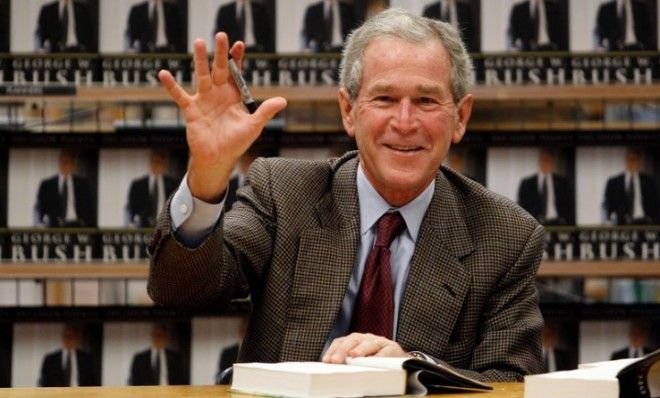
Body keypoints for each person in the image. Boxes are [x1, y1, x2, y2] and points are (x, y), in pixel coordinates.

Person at [150, 8, 544, 382]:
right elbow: (182, 291)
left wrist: (413, 368)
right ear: (348, 110)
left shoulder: (506, 235)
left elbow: (512, 383)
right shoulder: (285, 193)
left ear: (460, 117)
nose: (404, 123)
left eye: (426, 100)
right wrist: (208, 172)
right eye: (384, 99)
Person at [34, 150, 95, 227]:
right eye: (62, 161)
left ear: (73, 165)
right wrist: (39, 223)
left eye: (67, 161)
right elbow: (38, 208)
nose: (64, 164)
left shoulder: (83, 184)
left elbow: (90, 209)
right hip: (54, 225)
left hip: (77, 225)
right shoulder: (46, 184)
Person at [602, 148, 659, 225]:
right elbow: (606, 205)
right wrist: (608, 220)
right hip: (621, 222)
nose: (630, 162)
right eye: (628, 159)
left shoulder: (649, 181)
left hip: (644, 222)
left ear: (639, 162)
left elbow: (656, 204)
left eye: (634, 159)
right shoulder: (613, 182)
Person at [517, 149, 573, 225]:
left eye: (548, 161)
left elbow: (568, 205)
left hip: (558, 224)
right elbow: (521, 207)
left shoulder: (562, 182)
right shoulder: (527, 183)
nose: (545, 163)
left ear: (553, 163)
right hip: (534, 224)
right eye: (543, 160)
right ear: (539, 162)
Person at [125, 151, 178, 227]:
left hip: (166, 227)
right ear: (149, 163)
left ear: (164, 165)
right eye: (153, 161)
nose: (156, 165)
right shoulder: (137, 185)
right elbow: (131, 208)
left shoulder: (174, 184)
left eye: (159, 162)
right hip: (142, 227)